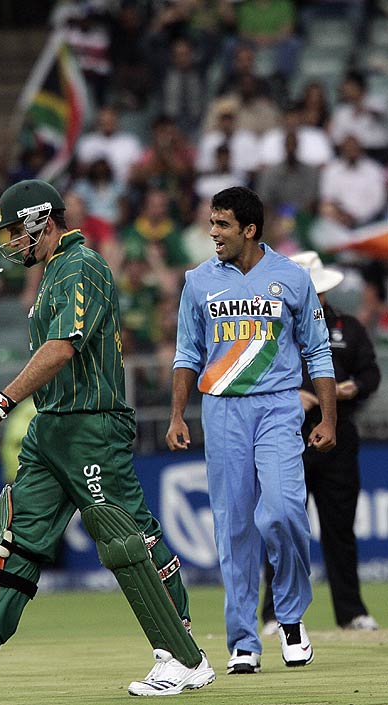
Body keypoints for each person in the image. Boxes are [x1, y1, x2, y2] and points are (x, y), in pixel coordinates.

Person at [0, 179, 216, 699]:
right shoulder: (51, 275)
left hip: (91, 424)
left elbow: (64, 346)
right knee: (13, 538)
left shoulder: (81, 266)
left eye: (14, 232)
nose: (10, 244)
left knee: (126, 538)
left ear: (40, 221)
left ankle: (184, 658)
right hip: (53, 426)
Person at [165, 186, 337, 675]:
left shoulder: (291, 277)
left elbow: (318, 351)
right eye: (211, 223)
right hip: (221, 410)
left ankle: (291, 618)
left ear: (249, 229)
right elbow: (186, 355)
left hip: (280, 406)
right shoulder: (198, 281)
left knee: (283, 512)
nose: (212, 233)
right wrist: (178, 415)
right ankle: (244, 640)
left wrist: (328, 417)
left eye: (221, 225)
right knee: (235, 526)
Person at [261, 251, 381, 635]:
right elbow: (252, 373)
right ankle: (274, 614)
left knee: (339, 528)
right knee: (280, 524)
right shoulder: (274, 328)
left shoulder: (348, 327)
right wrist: (290, 393)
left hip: (339, 435)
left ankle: (351, 612)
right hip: (286, 434)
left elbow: (371, 372)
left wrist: (354, 387)